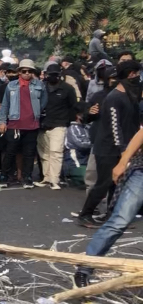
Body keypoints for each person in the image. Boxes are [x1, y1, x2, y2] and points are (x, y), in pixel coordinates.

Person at [73, 60, 143, 289]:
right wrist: (123, 160)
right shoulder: (114, 97)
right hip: (139, 167)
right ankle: (85, 267)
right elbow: (138, 134)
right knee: (119, 220)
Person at [78, 61, 142, 228]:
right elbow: (115, 127)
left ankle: (112, 215)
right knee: (104, 183)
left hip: (122, 146)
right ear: (130, 75)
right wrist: (123, 150)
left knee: (118, 183)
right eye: (136, 74)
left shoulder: (130, 95)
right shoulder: (114, 97)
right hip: (107, 148)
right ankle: (85, 214)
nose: (138, 77)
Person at [0, 59, 45, 189]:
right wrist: (2, 122)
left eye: (30, 71)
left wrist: (37, 113)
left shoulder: (39, 85)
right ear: (19, 72)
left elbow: (44, 101)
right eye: (24, 71)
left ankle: (27, 177)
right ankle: (4, 176)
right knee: (10, 152)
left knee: (29, 153)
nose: (27, 73)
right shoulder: (11, 85)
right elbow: (5, 105)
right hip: (14, 123)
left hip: (32, 124)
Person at [37, 62, 77, 189]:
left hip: (59, 124)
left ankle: (55, 180)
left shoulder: (67, 88)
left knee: (56, 152)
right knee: (44, 154)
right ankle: (47, 178)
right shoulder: (41, 87)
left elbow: (73, 106)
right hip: (42, 124)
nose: (52, 77)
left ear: (59, 75)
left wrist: (66, 121)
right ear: (46, 75)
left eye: (55, 74)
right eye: (50, 74)